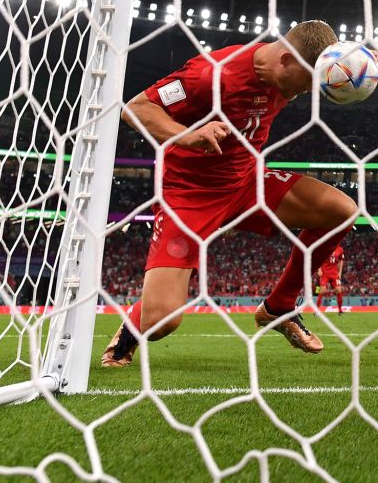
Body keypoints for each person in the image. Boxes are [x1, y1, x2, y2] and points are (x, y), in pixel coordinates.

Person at [102, 22, 356, 367]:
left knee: (341, 209)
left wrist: (357, 67)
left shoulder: (287, 78)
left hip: (248, 185)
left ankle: (279, 306)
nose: (311, 91)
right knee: (162, 320)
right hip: (191, 196)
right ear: (286, 60)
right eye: (309, 80)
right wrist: (188, 135)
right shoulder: (211, 75)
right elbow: (137, 108)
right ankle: (124, 340)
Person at [316, 244, 346, 314]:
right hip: (325, 273)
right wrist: (319, 269)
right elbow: (319, 258)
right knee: (322, 291)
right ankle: (317, 311)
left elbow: (341, 260)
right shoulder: (325, 247)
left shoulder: (340, 249)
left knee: (339, 290)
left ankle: (340, 311)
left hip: (334, 274)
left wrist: (340, 272)